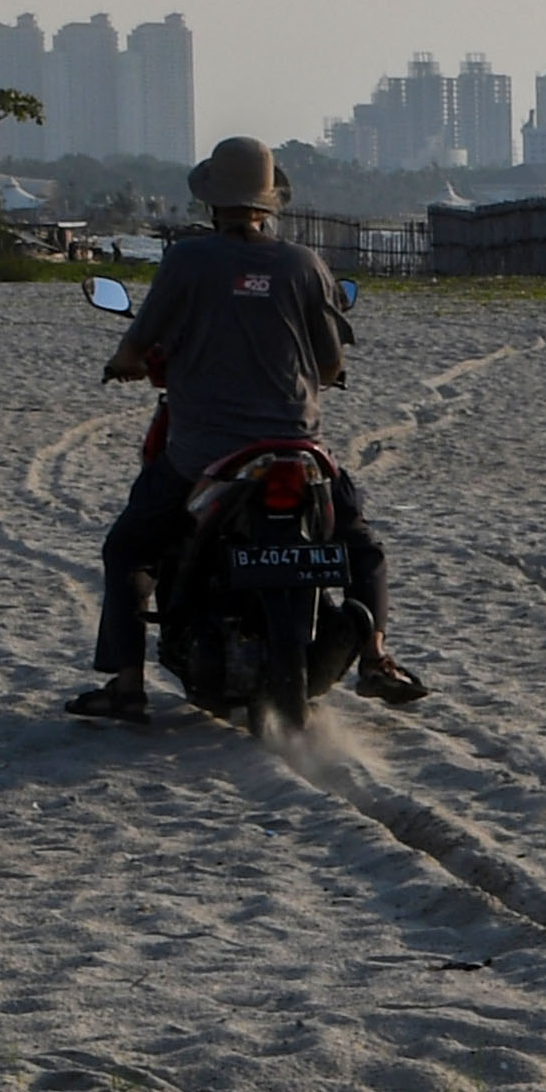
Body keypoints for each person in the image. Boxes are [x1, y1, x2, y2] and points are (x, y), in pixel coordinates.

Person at [70, 135, 423, 721]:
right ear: (269, 200)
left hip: (203, 453)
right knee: (361, 546)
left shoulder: (187, 260)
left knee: (130, 547)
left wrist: (124, 364)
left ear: (212, 200)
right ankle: (378, 657)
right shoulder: (304, 265)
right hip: (298, 449)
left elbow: (138, 340)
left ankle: (127, 685)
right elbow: (331, 363)